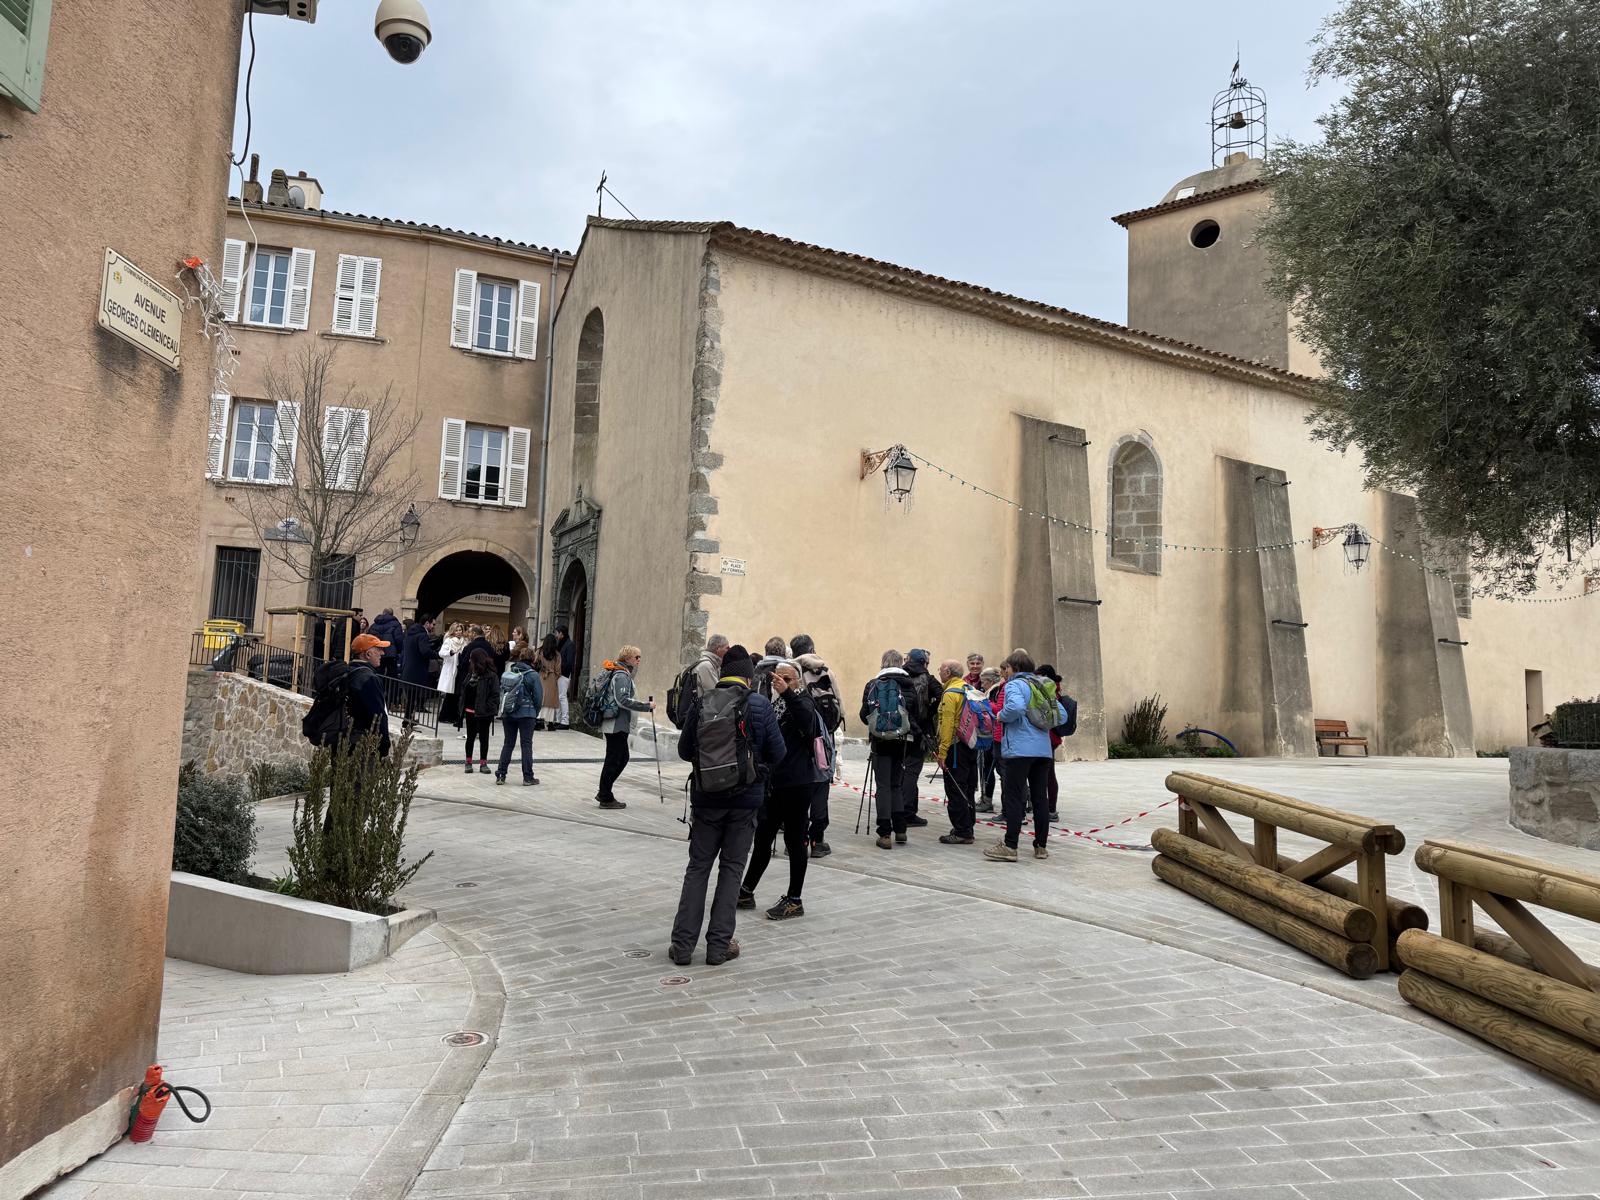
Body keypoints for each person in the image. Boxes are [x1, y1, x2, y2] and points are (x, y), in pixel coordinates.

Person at [670, 644, 785, 965]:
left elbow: (684, 750)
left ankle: (682, 946)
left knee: (698, 869)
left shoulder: (702, 702)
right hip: (745, 803)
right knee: (732, 870)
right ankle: (719, 947)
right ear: (748, 678)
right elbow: (779, 753)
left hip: (706, 800)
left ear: (722, 674)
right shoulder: (759, 705)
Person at [738, 662, 819, 920]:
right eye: (778, 678)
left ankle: (795, 899)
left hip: (797, 783)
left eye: (788, 678)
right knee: (763, 838)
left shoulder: (803, 701)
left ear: (798, 681)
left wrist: (787, 693)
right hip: (774, 783)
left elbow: (807, 725)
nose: (781, 682)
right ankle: (746, 891)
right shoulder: (774, 704)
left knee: (795, 841)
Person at [984, 648, 1066, 862]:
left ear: (1015, 668)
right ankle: (1041, 846)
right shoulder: (1042, 685)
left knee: (1013, 797)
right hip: (1043, 750)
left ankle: (1010, 846)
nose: (1005, 672)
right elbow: (1062, 715)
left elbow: (1016, 708)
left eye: (1007, 668)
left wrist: (1001, 716)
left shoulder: (1015, 685)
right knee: (1040, 798)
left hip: (1019, 750)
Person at [859, 649, 917, 848]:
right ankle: (900, 830)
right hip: (902, 741)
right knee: (896, 785)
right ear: (901, 663)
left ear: (883, 662)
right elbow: (915, 712)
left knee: (883, 786)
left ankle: (884, 834)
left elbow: (864, 715)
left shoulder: (873, 684)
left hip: (881, 741)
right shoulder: (909, 684)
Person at [793, 645, 842, 857]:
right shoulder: (826, 671)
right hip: (824, 739)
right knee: (821, 787)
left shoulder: (792, 671)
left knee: (799, 791)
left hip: (800, 743)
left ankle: (799, 839)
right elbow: (840, 707)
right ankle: (817, 840)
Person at [593, 645, 654, 809]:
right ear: (627, 658)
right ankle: (605, 795)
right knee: (615, 759)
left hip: (617, 723)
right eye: (636, 657)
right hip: (616, 724)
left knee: (619, 758)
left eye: (640, 657)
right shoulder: (621, 675)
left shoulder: (621, 672)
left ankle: (604, 792)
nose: (639, 660)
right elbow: (622, 700)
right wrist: (646, 706)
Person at [935, 659, 979, 845]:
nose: (939, 671)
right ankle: (967, 825)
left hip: (955, 747)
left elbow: (947, 726)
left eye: (941, 668)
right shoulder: (969, 689)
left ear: (948, 672)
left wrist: (942, 752)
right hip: (971, 744)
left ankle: (962, 831)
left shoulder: (950, 694)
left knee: (955, 788)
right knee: (967, 787)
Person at [899, 648, 940, 827]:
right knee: (912, 772)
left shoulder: (900, 676)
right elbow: (942, 695)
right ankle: (908, 813)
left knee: (901, 771)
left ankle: (899, 810)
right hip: (920, 731)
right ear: (924, 663)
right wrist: (930, 712)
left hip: (900, 730)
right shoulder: (928, 679)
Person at [495, 645, 542, 786]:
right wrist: (534, 712)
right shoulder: (533, 675)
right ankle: (528, 777)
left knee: (508, 744)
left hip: (509, 713)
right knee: (526, 745)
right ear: (532, 658)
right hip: (527, 714)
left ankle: (501, 775)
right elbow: (538, 697)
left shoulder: (510, 672)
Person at [345, 633, 392, 758]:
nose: (382, 653)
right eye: (379, 649)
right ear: (368, 654)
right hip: (362, 744)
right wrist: (384, 746)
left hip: (343, 740)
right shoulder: (369, 679)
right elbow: (378, 715)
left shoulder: (347, 671)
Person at [461, 647, 498, 774]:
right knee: (470, 737)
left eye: (471, 659)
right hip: (470, 710)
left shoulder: (491, 676)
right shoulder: (470, 674)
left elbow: (495, 695)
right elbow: (464, 691)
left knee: (484, 738)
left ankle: (483, 763)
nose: (469, 661)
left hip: (484, 713)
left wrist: (488, 708)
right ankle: (468, 762)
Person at [1038, 663, 1066, 821]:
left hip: (1049, 737)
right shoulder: (1054, 689)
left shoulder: (1050, 691)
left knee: (1048, 774)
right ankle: (1047, 807)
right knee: (1047, 773)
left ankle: (1051, 809)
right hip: (1049, 737)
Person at [977, 666, 1003, 813]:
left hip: (993, 735)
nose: (982, 685)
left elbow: (997, 709)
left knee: (988, 768)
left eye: (983, 682)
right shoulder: (994, 690)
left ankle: (987, 800)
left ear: (991, 681)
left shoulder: (995, 691)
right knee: (990, 768)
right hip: (993, 734)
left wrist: (983, 703)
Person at [436, 622, 467, 726]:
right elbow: (441, 653)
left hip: (460, 669)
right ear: (453, 631)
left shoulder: (464, 642)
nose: (459, 632)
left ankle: (454, 716)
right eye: (456, 630)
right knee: (450, 694)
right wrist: (450, 653)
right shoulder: (449, 641)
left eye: (460, 630)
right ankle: (444, 716)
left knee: (457, 694)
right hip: (450, 669)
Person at [535, 632, 563, 731]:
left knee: (541, 698)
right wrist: (555, 676)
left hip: (541, 676)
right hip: (551, 677)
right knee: (551, 700)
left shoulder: (539, 651)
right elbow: (558, 670)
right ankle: (550, 723)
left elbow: (535, 663)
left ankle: (538, 721)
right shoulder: (556, 654)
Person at [369, 609, 402, 675]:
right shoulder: (396, 624)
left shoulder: (374, 625)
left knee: (378, 673)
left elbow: (370, 638)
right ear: (392, 614)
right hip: (391, 653)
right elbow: (399, 639)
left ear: (383, 613)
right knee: (391, 674)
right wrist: (398, 651)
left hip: (377, 651)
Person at [556, 624, 576, 730]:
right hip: (559, 674)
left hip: (564, 674)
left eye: (557, 633)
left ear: (561, 634)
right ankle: (559, 720)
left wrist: (559, 670)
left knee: (562, 697)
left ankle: (565, 721)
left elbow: (569, 662)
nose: (556, 635)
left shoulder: (570, 645)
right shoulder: (561, 643)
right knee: (559, 697)